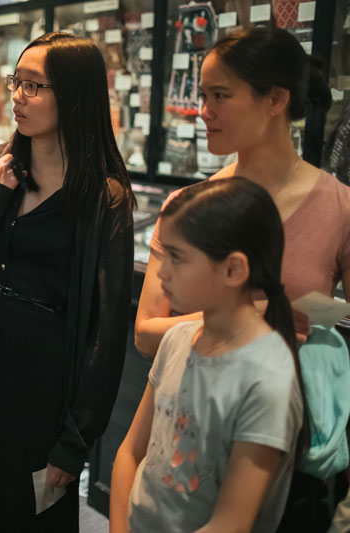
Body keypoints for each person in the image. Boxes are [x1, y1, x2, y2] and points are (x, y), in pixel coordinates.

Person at [133, 26, 350, 531]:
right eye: (202, 96)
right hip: (190, 432)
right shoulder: (190, 209)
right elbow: (145, 332)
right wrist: (246, 321)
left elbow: (343, 321)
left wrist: (299, 319)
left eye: (219, 96)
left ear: (276, 99)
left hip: (292, 440)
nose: (202, 111)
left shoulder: (338, 205)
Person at [0, 32, 135, 532]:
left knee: (27, 516)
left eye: (34, 86)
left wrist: (76, 439)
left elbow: (106, 335)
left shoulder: (103, 198)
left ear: (75, 95)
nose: (17, 96)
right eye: (16, 82)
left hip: (44, 394)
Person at [111, 177, 304, 532]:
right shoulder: (177, 339)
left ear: (233, 269)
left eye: (177, 257)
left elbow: (231, 522)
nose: (162, 272)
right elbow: (129, 452)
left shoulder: (267, 377)